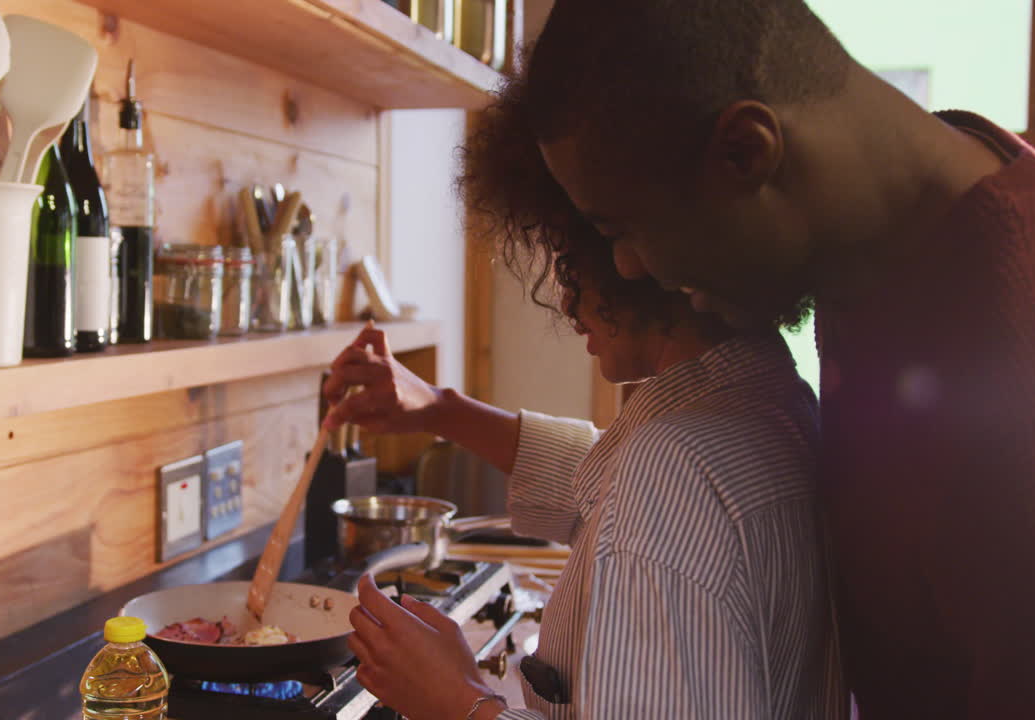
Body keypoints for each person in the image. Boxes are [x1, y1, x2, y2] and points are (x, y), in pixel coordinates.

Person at [516, 1, 1035, 717]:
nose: (629, 267)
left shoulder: (1019, 371)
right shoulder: (873, 243)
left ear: (745, 152)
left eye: (626, 227)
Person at [324, 219, 844, 716]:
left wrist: (457, 701)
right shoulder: (772, 402)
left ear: (648, 255)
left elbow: (652, 499)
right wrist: (441, 408)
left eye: (576, 260)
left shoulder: (675, 466)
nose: (567, 302)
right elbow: (610, 489)